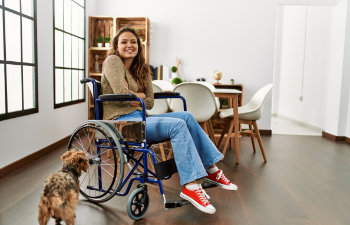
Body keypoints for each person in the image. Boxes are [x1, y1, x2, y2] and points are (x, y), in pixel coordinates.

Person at [101, 27, 238, 214]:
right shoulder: (113, 61)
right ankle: (191, 187)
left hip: (141, 117)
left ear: (139, 46)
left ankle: (212, 170)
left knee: (187, 117)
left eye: (133, 42)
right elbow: (121, 95)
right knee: (177, 125)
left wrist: (134, 95)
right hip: (121, 124)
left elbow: (148, 102)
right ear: (116, 46)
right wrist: (136, 95)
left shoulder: (143, 69)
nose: (129, 45)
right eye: (124, 42)